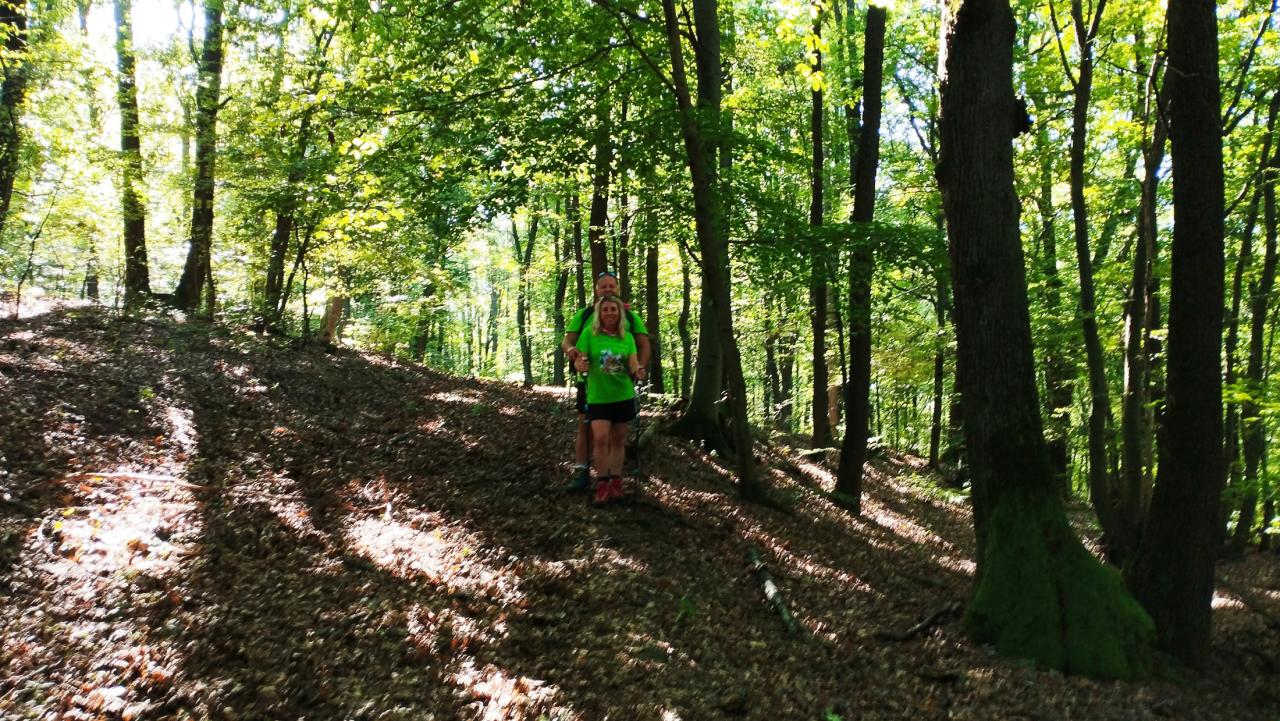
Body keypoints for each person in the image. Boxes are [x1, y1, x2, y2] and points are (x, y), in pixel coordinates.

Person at [562, 271, 649, 490]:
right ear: (596, 289)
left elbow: (643, 344)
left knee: (615, 434)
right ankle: (582, 473)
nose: (608, 289)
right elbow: (568, 341)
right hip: (590, 382)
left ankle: (611, 478)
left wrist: (638, 369)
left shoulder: (631, 317)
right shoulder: (584, 314)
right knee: (586, 427)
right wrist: (573, 353)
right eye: (603, 286)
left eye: (612, 286)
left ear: (618, 289)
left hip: (621, 383)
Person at [573, 294, 641, 503]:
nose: (609, 313)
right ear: (599, 313)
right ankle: (602, 485)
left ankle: (616, 484)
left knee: (618, 440)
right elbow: (579, 359)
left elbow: (633, 364)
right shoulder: (589, 334)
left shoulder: (627, 337)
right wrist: (580, 364)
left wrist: (638, 371)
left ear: (619, 313)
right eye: (605, 309)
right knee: (601, 439)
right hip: (598, 396)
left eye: (613, 309)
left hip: (623, 395)